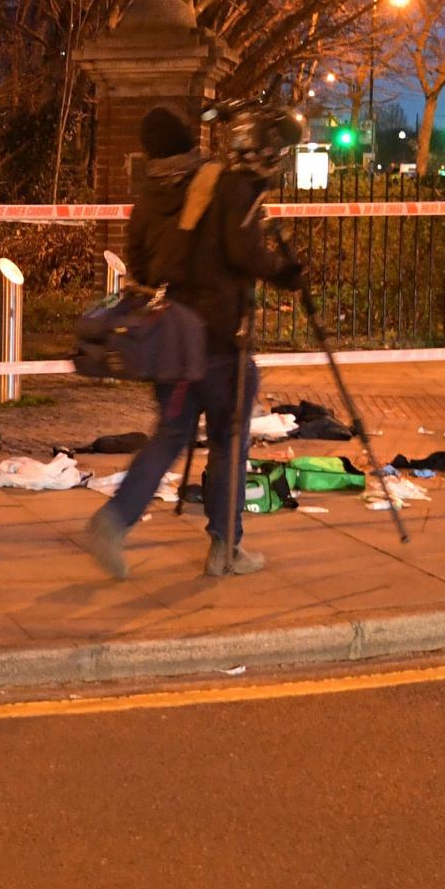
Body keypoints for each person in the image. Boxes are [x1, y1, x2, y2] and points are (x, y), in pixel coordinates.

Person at [84, 104, 304, 581]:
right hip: (221, 339)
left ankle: (114, 520)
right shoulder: (222, 184)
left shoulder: (147, 198)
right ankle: (225, 549)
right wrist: (286, 271)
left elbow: (138, 268)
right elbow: (243, 251)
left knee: (170, 434)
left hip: (171, 341)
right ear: (190, 141)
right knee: (229, 441)